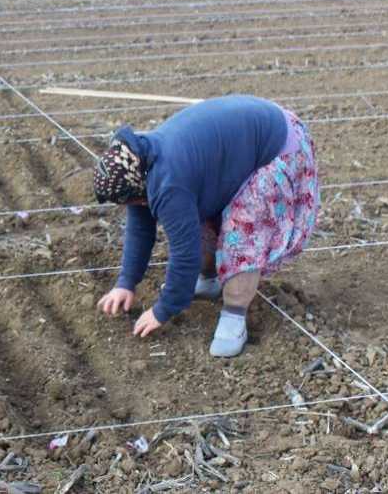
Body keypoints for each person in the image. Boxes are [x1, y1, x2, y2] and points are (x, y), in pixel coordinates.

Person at [93, 95, 320, 357]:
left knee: (243, 231)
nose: (135, 206)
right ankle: (210, 278)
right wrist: (126, 282)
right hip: (244, 138)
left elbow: (184, 253)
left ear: (137, 191)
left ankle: (234, 316)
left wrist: (163, 310)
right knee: (197, 213)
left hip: (278, 144)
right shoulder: (138, 163)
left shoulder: (169, 182)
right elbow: (140, 227)